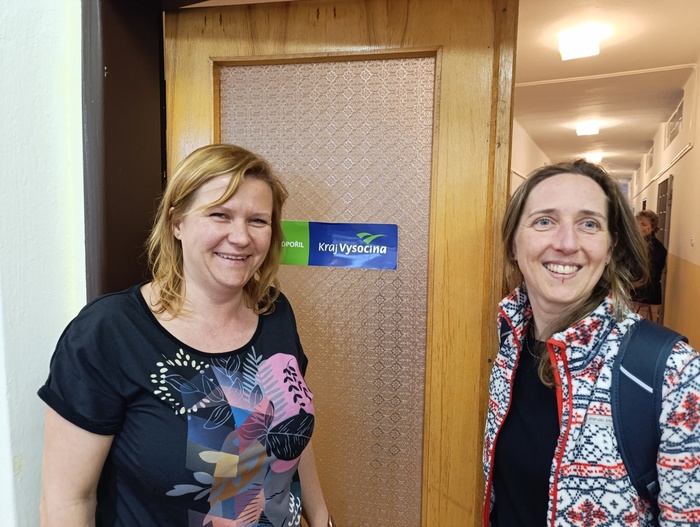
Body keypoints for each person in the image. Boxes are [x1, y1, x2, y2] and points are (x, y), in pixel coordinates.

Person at [39, 144, 335, 526]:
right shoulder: (109, 332)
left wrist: (322, 519)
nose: (241, 237)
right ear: (177, 222)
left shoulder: (275, 313)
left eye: (258, 221)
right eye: (220, 214)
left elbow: (292, 427)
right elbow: (67, 503)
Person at [482, 159, 700, 526]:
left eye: (589, 224)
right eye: (544, 221)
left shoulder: (674, 373)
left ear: (611, 248)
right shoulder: (503, 341)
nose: (567, 244)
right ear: (513, 244)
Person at [632, 209, 668, 322]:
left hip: (647, 298)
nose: (639, 227)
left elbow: (650, 275)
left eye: (643, 224)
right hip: (633, 295)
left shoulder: (657, 248)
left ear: (653, 227)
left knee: (643, 328)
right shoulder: (635, 244)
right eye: (637, 223)